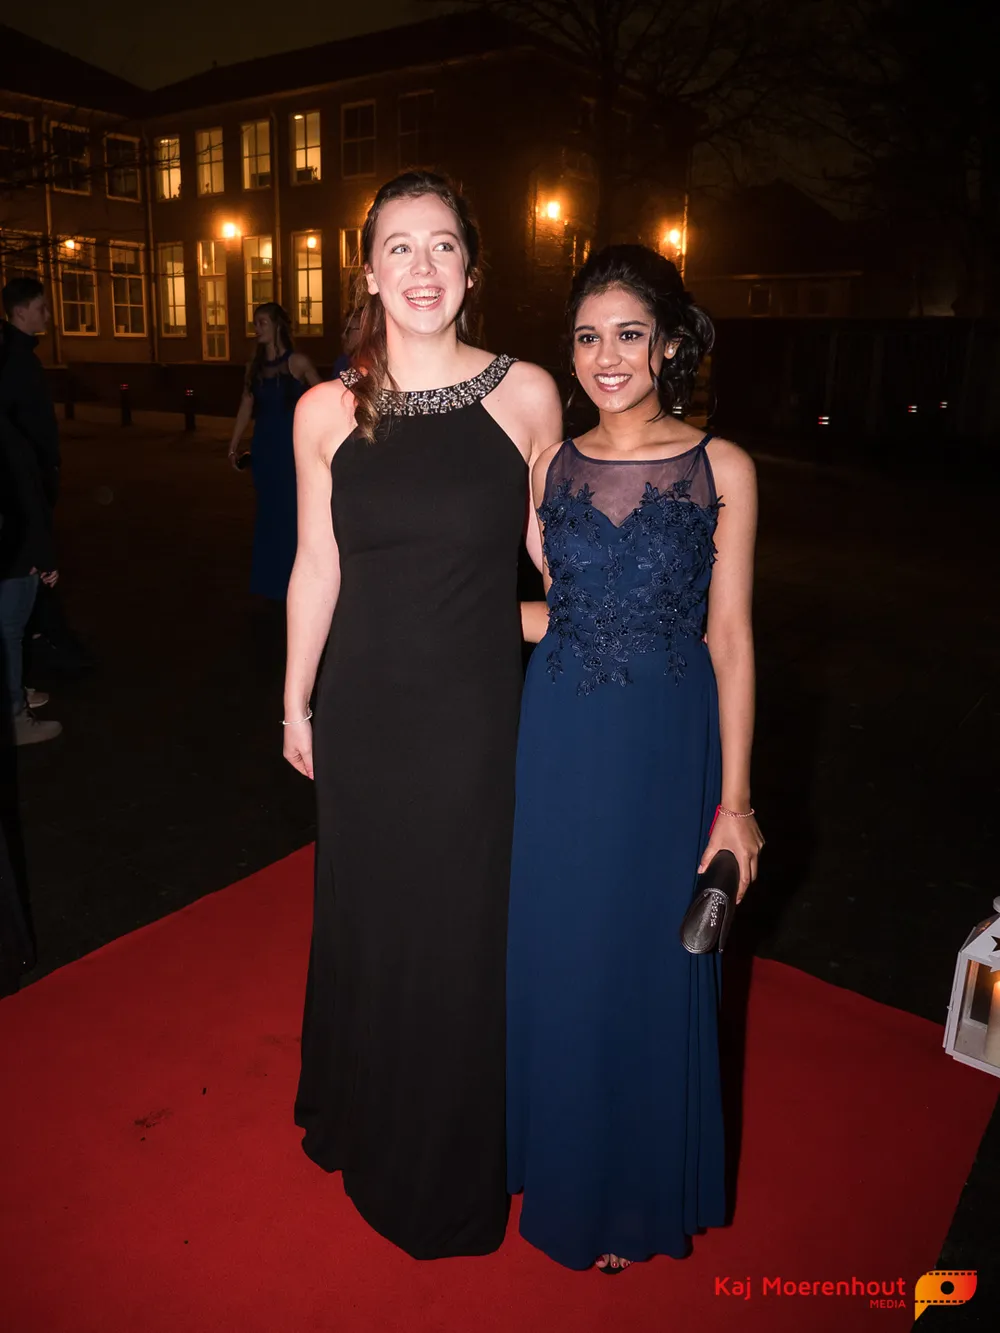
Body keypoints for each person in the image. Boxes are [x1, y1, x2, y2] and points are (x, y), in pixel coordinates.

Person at [284, 170, 561, 1259]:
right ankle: (361, 1111)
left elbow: (558, 561)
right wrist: (294, 698)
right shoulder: (325, 409)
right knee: (369, 918)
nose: (422, 266)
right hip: (363, 714)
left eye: (441, 244)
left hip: (474, 721)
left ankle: (443, 1166)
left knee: (457, 933)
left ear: (472, 268)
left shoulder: (527, 394)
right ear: (367, 272)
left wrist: (604, 628)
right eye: (398, 246)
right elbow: (317, 566)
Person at [507, 245, 764, 1273]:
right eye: (586, 336)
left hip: (666, 741)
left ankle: (631, 1194)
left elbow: (730, 637)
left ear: (664, 345)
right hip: (559, 735)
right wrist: (442, 617)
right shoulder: (549, 466)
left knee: (648, 959)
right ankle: (566, 1171)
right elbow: (559, 609)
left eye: (626, 334)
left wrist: (735, 804)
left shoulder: (721, 466)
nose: (605, 356)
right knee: (565, 953)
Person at [0, 281, 62, 745]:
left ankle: (15, 692)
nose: (48, 315)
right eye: (41, 307)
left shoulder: (17, 358)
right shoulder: (15, 363)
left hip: (21, 499)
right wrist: (41, 552)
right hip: (17, 510)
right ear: (20, 312)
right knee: (10, 622)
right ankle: (14, 714)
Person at [227, 303, 320, 600]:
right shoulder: (253, 366)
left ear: (278, 325)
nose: (257, 328)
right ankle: (270, 582)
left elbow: (323, 398)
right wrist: (233, 444)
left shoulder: (298, 362)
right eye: (255, 323)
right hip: (264, 448)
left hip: (291, 448)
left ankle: (295, 580)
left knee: (291, 512)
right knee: (268, 514)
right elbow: (246, 405)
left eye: (262, 322)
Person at [331, 311, 362, 379]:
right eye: (343, 330)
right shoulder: (343, 361)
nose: (343, 336)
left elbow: (343, 383)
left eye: (348, 330)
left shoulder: (370, 365)